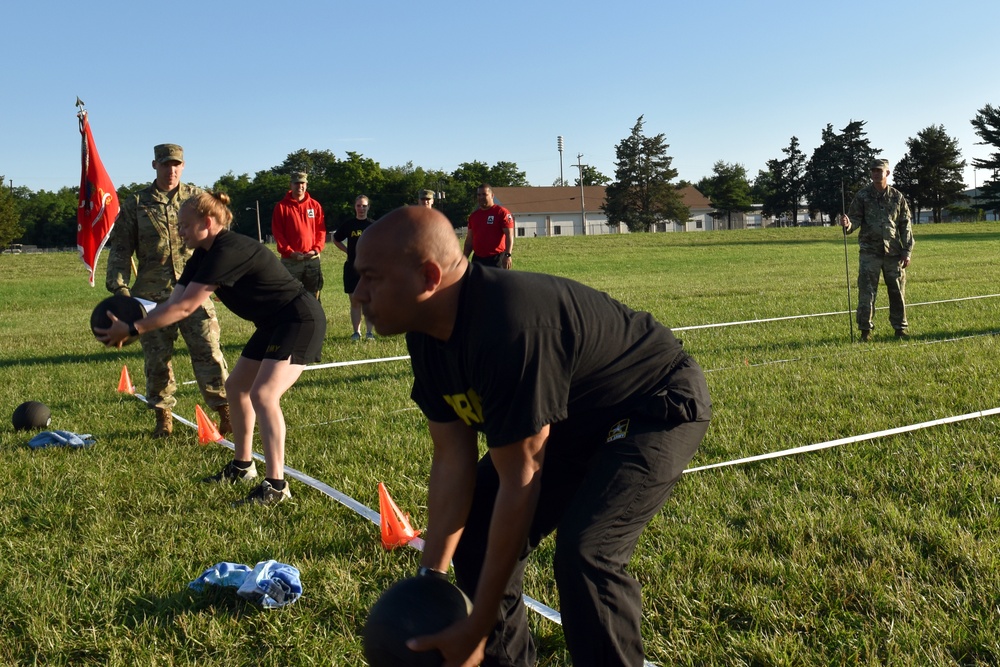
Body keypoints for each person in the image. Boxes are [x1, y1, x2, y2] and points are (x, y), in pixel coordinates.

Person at [353, 206, 712, 667]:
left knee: (588, 552)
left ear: (428, 277)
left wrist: (475, 624)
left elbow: (520, 481)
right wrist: (431, 580)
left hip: (652, 402)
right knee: (478, 525)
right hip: (569, 417)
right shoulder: (426, 331)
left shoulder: (509, 325)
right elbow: (452, 460)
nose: (358, 293)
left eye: (370, 277)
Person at [98, 192, 326, 505]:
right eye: (179, 226)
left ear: (208, 222)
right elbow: (174, 302)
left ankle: (276, 486)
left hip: (299, 319)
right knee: (236, 387)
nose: (180, 232)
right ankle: (242, 466)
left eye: (185, 226)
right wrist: (135, 314)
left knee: (263, 394)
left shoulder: (228, 249)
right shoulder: (202, 256)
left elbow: (186, 308)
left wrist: (134, 328)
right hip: (273, 323)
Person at [105, 143, 230, 438]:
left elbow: (219, 240)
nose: (171, 170)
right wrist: (120, 289)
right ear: (154, 165)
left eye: (176, 164)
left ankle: (226, 411)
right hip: (152, 294)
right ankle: (163, 417)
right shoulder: (137, 203)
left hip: (194, 289)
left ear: (183, 166)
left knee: (209, 352)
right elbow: (121, 250)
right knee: (158, 360)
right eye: (165, 164)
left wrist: (221, 277)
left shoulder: (199, 199)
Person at [839, 158, 914, 341]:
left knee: (897, 291)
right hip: (869, 252)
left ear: (887, 173)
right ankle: (865, 331)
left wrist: (907, 250)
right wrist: (847, 224)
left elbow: (905, 224)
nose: (875, 174)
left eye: (879, 171)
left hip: (893, 253)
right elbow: (854, 219)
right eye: (873, 171)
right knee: (867, 292)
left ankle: (900, 329)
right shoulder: (862, 196)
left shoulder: (897, 197)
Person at [271, 171, 326, 301]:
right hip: (291, 261)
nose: (300, 186)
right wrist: (290, 252)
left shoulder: (315, 205)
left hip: (312, 260)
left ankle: (314, 320)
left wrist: (316, 249)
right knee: (289, 296)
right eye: (296, 183)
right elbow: (278, 234)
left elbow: (321, 231)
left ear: (306, 185)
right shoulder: (281, 207)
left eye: (302, 183)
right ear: (291, 185)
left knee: (313, 297)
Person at [333, 194, 375, 340]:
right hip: (352, 267)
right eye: (358, 205)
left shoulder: (373, 225)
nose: (361, 208)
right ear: (354, 207)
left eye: (364, 206)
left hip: (368, 269)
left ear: (368, 207)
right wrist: (347, 250)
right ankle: (356, 332)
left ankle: (370, 333)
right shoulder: (349, 225)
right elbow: (336, 239)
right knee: (355, 300)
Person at [464, 183, 514, 269]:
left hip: (496, 259)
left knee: (496, 282)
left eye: (484, 194)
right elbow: (469, 239)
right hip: (478, 259)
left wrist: (508, 255)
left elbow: (509, 235)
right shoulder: (474, 216)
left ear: (492, 195)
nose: (481, 197)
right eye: (479, 195)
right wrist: (464, 258)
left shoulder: (501, 213)